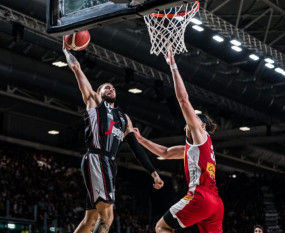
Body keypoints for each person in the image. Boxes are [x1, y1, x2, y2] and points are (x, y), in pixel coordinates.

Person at [62, 42, 164, 233]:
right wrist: (66, 51)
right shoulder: (94, 103)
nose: (110, 89)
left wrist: (153, 172)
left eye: (112, 88)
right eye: (106, 88)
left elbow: (136, 147)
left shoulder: (124, 119)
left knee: (90, 218)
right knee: (107, 216)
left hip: (108, 163)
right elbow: (76, 68)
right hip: (97, 157)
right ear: (98, 93)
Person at [133, 47, 224, 233]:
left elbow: (183, 100)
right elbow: (165, 153)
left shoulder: (199, 134)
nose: (191, 117)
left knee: (161, 228)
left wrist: (173, 65)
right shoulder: (195, 148)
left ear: (203, 125)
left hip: (201, 197)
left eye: (196, 117)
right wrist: (141, 139)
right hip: (215, 203)